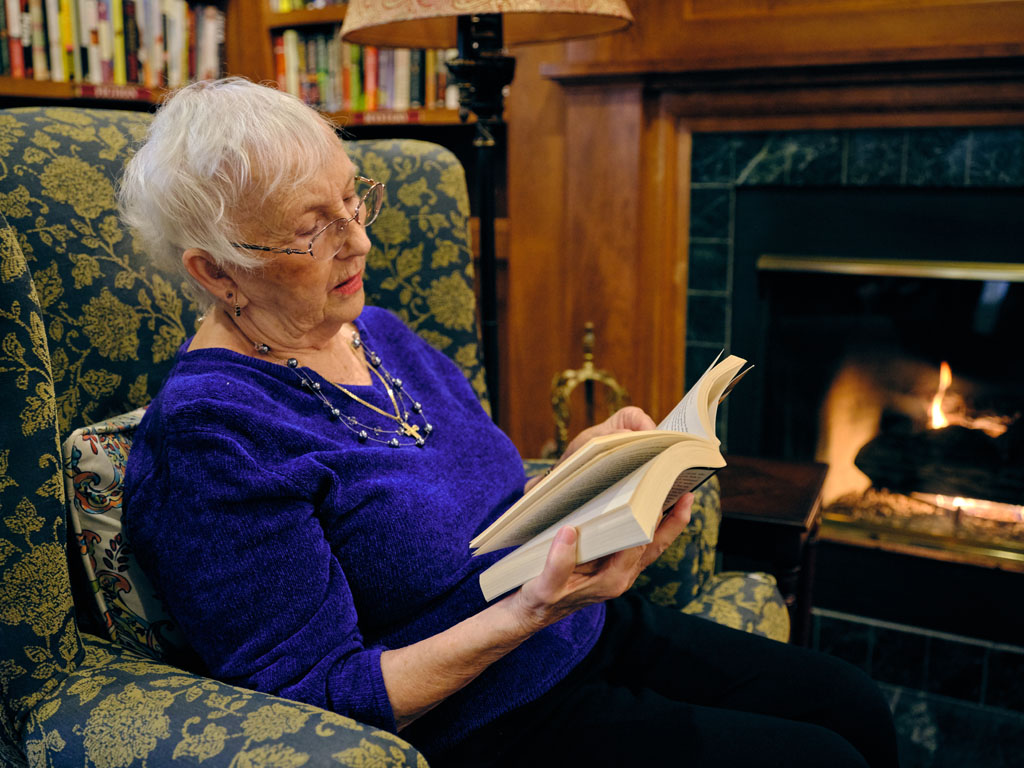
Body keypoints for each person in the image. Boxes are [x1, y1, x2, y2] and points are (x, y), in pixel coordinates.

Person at [120, 78, 899, 768]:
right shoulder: (211, 438)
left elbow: (476, 515)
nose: (359, 239)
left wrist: (583, 469)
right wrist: (532, 611)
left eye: (353, 200)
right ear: (216, 271)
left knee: (853, 702)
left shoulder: (376, 331)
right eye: (311, 229)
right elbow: (319, 698)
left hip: (579, 633)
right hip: (488, 719)